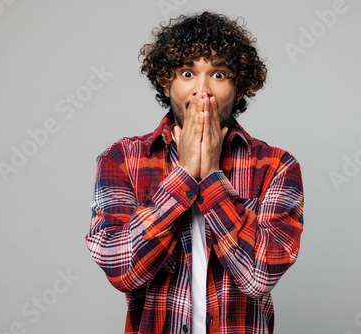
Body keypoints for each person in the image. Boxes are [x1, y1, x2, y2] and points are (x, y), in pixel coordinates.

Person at [86, 11, 304, 334]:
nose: (202, 92)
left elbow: (259, 276)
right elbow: (123, 269)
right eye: (188, 73)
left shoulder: (276, 166)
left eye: (218, 75)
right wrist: (185, 174)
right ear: (166, 81)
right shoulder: (122, 159)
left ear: (239, 87)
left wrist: (212, 175)